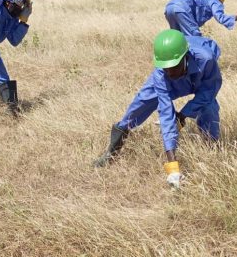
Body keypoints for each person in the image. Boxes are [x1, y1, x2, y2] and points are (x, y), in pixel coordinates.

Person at [94, 29, 222, 189]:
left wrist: (184, 113)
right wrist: (172, 167)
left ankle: (212, 150)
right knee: (137, 106)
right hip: (173, 79)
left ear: (185, 57)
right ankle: (111, 153)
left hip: (199, 77)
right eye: (166, 68)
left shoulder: (207, 59)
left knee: (208, 106)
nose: (170, 72)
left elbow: (210, 90)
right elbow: (166, 115)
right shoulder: (162, 74)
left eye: (173, 67)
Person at [164, 0, 237, 37]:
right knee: (195, 39)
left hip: (169, 7)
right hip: (182, 8)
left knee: (177, 39)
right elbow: (221, 18)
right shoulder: (215, 1)